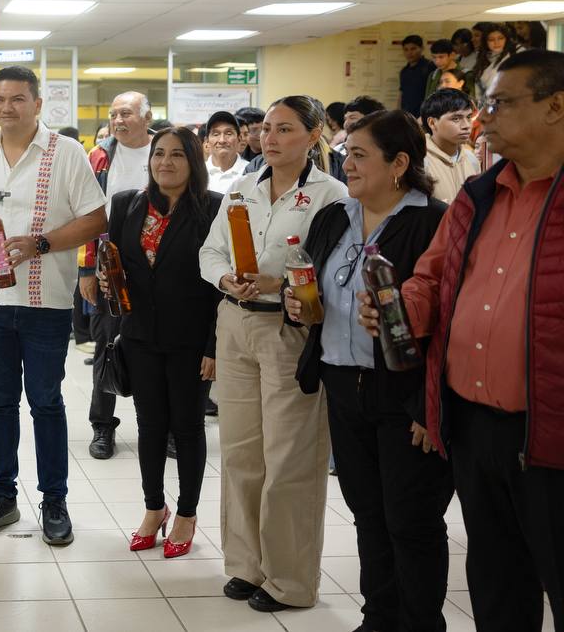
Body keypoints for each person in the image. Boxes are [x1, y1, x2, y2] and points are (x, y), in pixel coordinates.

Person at [359, 49, 564, 632]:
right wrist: (400, 309)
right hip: (476, 428)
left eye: (500, 104)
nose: (481, 118)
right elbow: (432, 280)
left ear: (555, 107)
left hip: (550, 431)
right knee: (498, 584)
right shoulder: (478, 197)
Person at [283, 110, 453, 632]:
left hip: (406, 393)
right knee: (368, 513)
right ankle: (379, 618)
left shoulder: (434, 222)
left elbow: (450, 320)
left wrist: (430, 405)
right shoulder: (336, 216)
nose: (348, 165)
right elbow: (310, 285)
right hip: (343, 384)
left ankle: (420, 623)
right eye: (346, 154)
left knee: (411, 519)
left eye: (359, 155)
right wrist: (299, 304)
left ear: (399, 163)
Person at [199, 95, 348, 612]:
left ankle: (289, 579)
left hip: (289, 330)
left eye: (284, 129)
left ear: (313, 135)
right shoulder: (242, 188)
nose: (270, 138)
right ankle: (247, 565)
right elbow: (211, 250)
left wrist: (277, 283)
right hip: (235, 323)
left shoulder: (330, 196)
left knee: (289, 457)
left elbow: (331, 272)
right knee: (241, 451)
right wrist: (225, 278)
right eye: (265, 128)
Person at [0, 66, 106, 546]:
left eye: (17, 99)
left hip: (46, 303)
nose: (7, 108)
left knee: (46, 402)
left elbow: (96, 219)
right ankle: (2, 496)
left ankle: (54, 499)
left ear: (37, 104)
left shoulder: (66, 152)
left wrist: (41, 244)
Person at [100, 127, 221, 559]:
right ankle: (154, 508)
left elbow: (219, 286)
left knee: (187, 427)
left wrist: (213, 346)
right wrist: (107, 286)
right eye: (158, 154)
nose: (164, 162)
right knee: (149, 426)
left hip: (191, 339)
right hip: (139, 335)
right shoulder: (127, 204)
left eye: (177, 155)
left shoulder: (214, 208)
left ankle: (186, 513)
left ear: (194, 162)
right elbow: (114, 263)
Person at [79, 91, 153, 460]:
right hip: (109, 267)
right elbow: (85, 213)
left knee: (156, 349)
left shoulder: (166, 151)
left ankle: (157, 427)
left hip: (158, 267)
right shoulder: (99, 156)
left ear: (147, 117)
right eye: (114, 114)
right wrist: (86, 268)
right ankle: (102, 426)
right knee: (107, 346)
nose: (118, 121)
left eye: (126, 113)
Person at [420, 88, 480, 205]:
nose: (466, 126)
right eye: (456, 119)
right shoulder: (420, 162)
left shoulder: (471, 159)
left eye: (468, 117)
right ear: (432, 123)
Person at [204, 111, 249, 193]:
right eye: (216, 134)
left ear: (239, 139)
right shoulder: (198, 172)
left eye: (228, 133)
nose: (222, 140)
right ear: (207, 141)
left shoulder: (250, 171)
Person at [473, 22, 517, 95]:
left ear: (506, 40)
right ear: (486, 42)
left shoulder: (512, 60)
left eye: (500, 38)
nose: (496, 42)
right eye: (491, 39)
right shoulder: (482, 59)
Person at [399, 34, 437, 118]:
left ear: (421, 48)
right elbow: (402, 94)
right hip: (407, 115)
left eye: (413, 49)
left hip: (425, 114)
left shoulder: (430, 67)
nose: (409, 53)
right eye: (406, 49)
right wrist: (398, 113)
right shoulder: (404, 71)